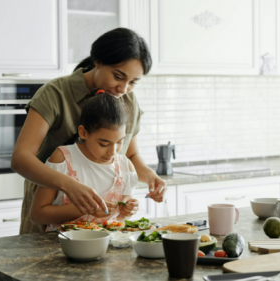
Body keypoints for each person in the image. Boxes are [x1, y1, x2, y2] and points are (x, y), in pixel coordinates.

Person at [11, 27, 166, 234]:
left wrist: (150, 177)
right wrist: (69, 185)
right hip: (50, 216)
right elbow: (21, 158)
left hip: (102, 227)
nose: (123, 89)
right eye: (118, 76)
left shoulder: (127, 100)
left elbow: (130, 154)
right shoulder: (55, 93)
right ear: (98, 61)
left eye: (133, 82)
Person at [30, 89, 139, 230]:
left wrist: (128, 210)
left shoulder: (125, 167)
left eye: (119, 142)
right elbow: (37, 215)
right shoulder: (63, 159)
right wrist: (85, 208)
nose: (112, 151)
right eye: (104, 144)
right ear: (83, 132)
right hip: (62, 246)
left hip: (107, 246)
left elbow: (120, 220)